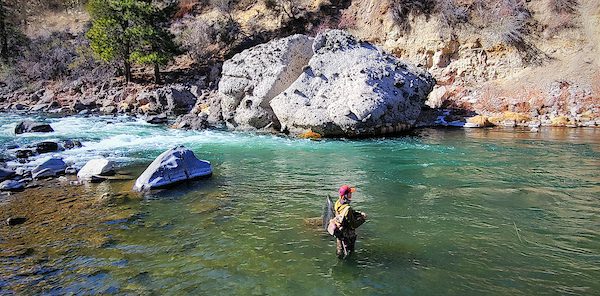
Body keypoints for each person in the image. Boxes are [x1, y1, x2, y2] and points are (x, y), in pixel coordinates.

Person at [334, 185, 367, 259]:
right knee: (350, 253)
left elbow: (349, 212)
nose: (351, 194)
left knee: (340, 251)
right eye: (350, 193)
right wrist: (363, 219)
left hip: (339, 233)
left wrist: (359, 213)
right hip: (347, 235)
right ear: (345, 195)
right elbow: (353, 225)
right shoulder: (347, 208)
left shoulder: (338, 203)